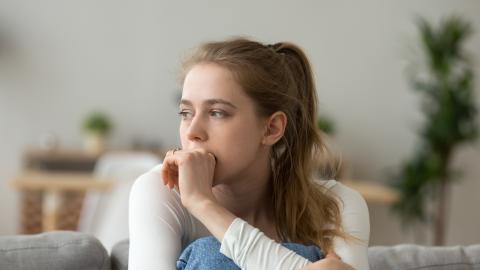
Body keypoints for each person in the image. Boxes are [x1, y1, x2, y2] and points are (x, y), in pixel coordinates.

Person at [128, 38, 370, 270]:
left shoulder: (337, 205)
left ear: (271, 128)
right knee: (211, 255)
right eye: (186, 113)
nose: (193, 132)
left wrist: (205, 205)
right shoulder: (159, 190)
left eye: (217, 113)